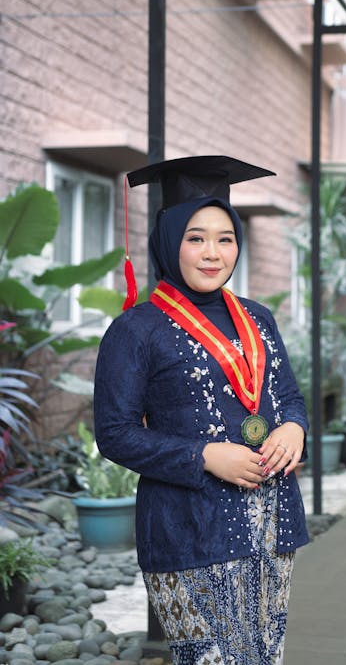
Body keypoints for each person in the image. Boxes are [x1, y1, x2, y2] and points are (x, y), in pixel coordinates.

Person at [94, 155, 309, 665]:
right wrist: (204, 456)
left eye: (225, 238)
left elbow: (290, 398)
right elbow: (115, 434)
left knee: (266, 656)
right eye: (196, 238)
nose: (213, 253)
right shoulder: (135, 330)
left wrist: (295, 429)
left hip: (273, 521)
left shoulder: (259, 318)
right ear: (170, 240)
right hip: (186, 528)